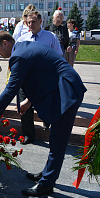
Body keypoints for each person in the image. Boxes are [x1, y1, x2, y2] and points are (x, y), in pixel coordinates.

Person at [0, 31, 86, 197]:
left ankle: (46, 184)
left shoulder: (19, 56)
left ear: (6, 43)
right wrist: (28, 102)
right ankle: (47, 173)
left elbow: (10, 90)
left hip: (67, 91)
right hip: (60, 87)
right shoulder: (23, 49)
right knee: (55, 138)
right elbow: (41, 74)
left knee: (58, 140)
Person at [16, 11, 64, 144]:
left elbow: (59, 56)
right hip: (26, 79)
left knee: (45, 105)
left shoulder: (50, 37)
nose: (31, 24)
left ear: (41, 22)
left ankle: (47, 121)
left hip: (44, 80)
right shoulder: (22, 39)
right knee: (24, 108)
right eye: (28, 22)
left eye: (34, 22)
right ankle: (28, 135)